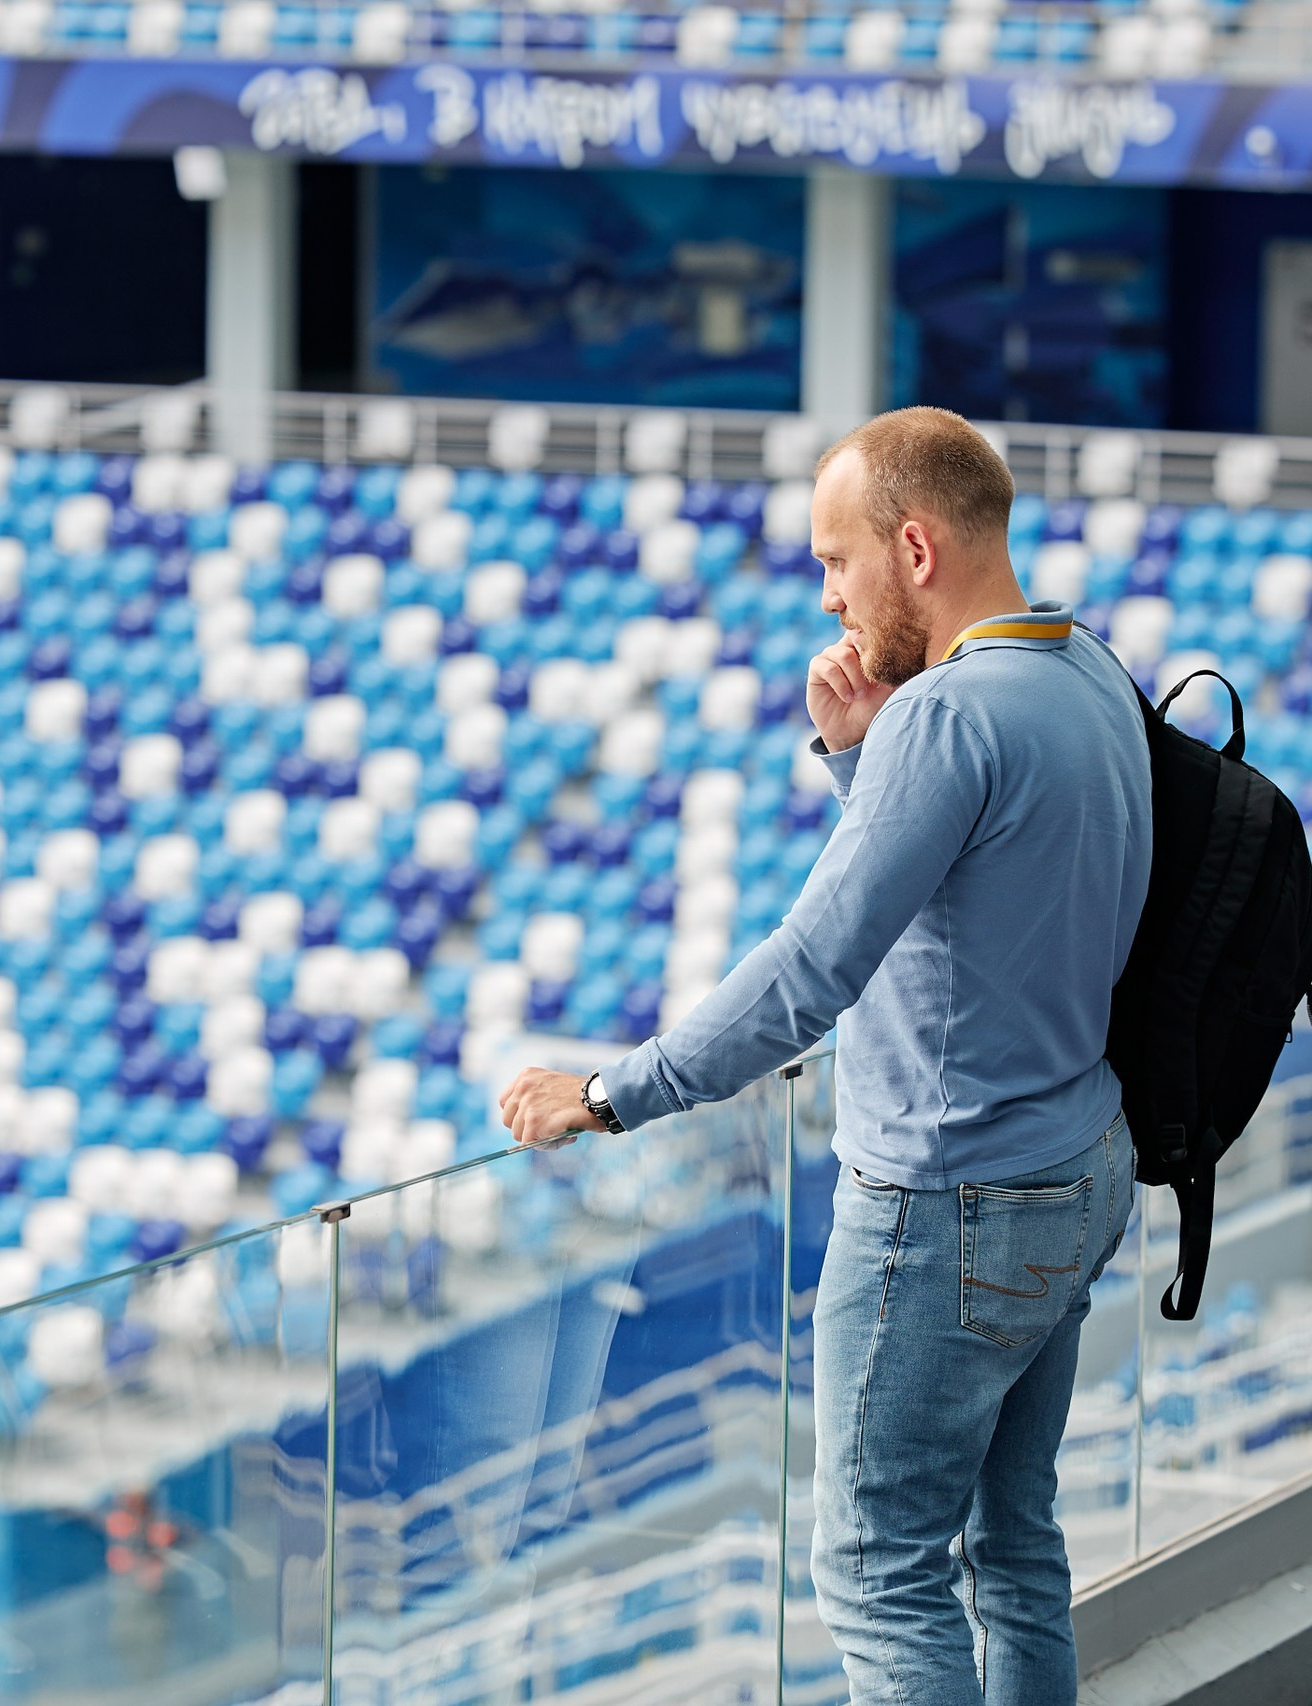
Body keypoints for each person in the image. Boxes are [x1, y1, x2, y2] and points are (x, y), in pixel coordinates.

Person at [497, 406, 1152, 1700]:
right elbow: (987, 898)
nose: (829, 594)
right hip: (1074, 1163)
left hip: (944, 1205)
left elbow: (813, 969)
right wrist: (862, 763)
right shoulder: (1084, 667)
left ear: (913, 547)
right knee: (1011, 1547)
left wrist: (615, 1091)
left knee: (876, 1571)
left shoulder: (951, 719)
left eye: (833, 560)